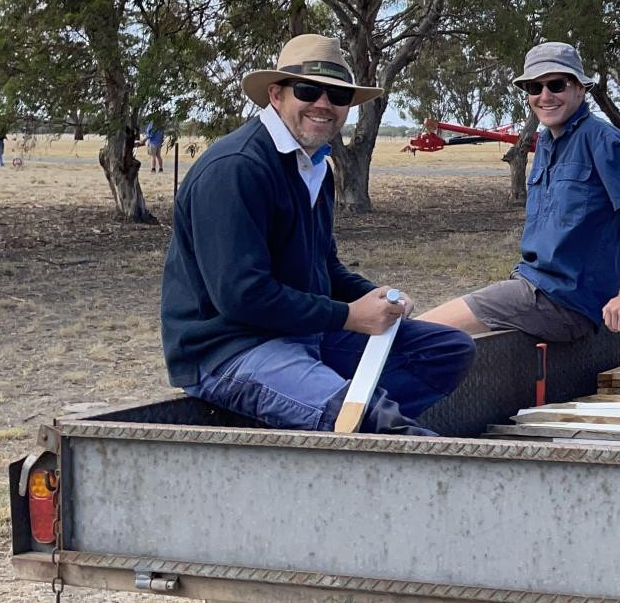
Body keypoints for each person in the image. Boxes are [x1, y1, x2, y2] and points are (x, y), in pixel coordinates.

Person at [161, 34, 476, 433]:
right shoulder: (236, 169)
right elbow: (242, 297)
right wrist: (349, 316)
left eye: (338, 96)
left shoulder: (314, 167)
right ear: (276, 95)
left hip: (301, 334)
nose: (324, 104)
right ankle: (357, 422)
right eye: (308, 90)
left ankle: (328, 424)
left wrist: (374, 296)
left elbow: (322, 266)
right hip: (229, 351)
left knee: (447, 351)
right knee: (364, 418)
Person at [420, 42, 620, 343]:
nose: (545, 96)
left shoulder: (601, 139)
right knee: (442, 342)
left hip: (562, 301)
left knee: (416, 330)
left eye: (556, 84)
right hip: (531, 288)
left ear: (581, 88)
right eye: (534, 87)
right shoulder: (547, 142)